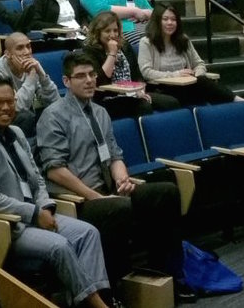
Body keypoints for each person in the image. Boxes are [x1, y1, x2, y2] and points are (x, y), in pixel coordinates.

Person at [36, 51, 194, 301]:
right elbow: (54, 169)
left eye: (92, 75)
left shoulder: (100, 112)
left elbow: (114, 155)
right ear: (66, 81)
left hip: (107, 190)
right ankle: (114, 291)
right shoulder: (53, 115)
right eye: (81, 76)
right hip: (77, 199)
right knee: (118, 208)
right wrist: (94, 196)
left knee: (165, 192)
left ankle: (167, 276)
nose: (89, 80)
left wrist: (122, 179)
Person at [0, 76, 111, 308]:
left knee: (88, 233)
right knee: (60, 246)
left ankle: (85, 302)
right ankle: (97, 304)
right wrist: (34, 213)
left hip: (36, 213)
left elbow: (37, 179)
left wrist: (44, 206)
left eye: (10, 101)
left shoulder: (16, 133)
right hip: (9, 226)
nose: (6, 107)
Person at [138, 4, 244, 115]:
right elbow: (146, 72)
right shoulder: (147, 42)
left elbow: (199, 64)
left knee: (204, 82)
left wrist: (197, 76)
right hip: (161, 89)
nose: (170, 23)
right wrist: (175, 75)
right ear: (157, 21)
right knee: (208, 90)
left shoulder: (183, 39)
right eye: (165, 19)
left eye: (173, 19)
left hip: (186, 86)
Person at [83, 12, 180, 118]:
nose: (113, 35)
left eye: (115, 30)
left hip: (132, 94)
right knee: (143, 106)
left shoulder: (125, 46)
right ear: (98, 33)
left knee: (172, 102)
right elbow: (100, 80)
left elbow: (137, 74)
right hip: (108, 98)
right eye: (107, 31)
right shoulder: (90, 51)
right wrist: (112, 53)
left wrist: (140, 92)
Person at [0, 33, 60, 143]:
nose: (27, 52)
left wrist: (42, 75)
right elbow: (13, 108)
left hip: (25, 122)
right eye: (20, 48)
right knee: (25, 117)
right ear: (8, 54)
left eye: (28, 46)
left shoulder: (30, 67)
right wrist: (31, 78)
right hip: (1, 122)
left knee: (55, 112)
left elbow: (55, 101)